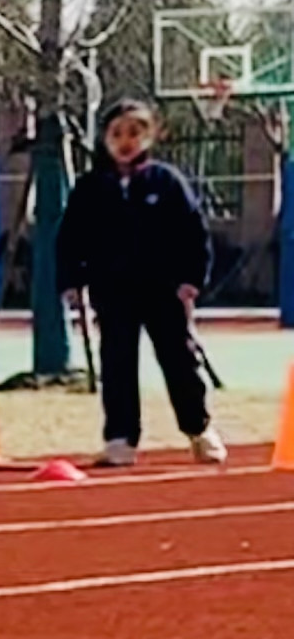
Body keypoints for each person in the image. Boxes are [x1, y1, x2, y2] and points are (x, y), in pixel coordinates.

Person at [59, 94, 225, 467]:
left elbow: (193, 232)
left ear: (150, 136)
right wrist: (72, 281)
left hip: (163, 290)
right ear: (105, 138)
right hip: (112, 291)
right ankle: (120, 438)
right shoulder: (90, 188)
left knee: (179, 360)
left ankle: (199, 429)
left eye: (135, 132)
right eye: (117, 133)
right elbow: (71, 238)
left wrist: (192, 280)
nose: (126, 140)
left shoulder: (166, 182)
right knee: (117, 362)